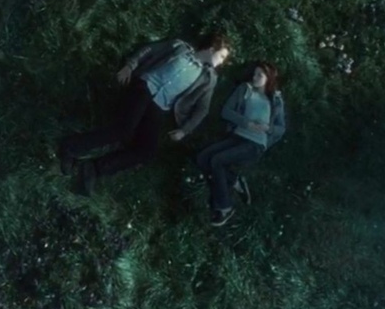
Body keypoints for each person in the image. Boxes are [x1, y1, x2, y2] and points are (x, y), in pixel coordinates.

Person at [58, 33, 231, 195]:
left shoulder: (209, 78)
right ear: (211, 49)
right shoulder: (179, 47)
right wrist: (129, 66)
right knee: (123, 130)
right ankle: (70, 147)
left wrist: (185, 130)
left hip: (160, 106)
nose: (222, 61)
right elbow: (149, 50)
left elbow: (203, 109)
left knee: (146, 151)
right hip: (144, 86)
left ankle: (94, 169)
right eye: (222, 56)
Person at [195, 61, 286, 227]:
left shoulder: (276, 100)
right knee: (203, 158)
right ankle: (234, 180)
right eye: (254, 74)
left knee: (217, 160)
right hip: (238, 135)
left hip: (256, 143)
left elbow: (281, 129)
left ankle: (225, 207)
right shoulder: (245, 89)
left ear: (269, 79)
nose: (255, 77)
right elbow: (226, 111)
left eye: (260, 75)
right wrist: (246, 123)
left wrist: (269, 128)